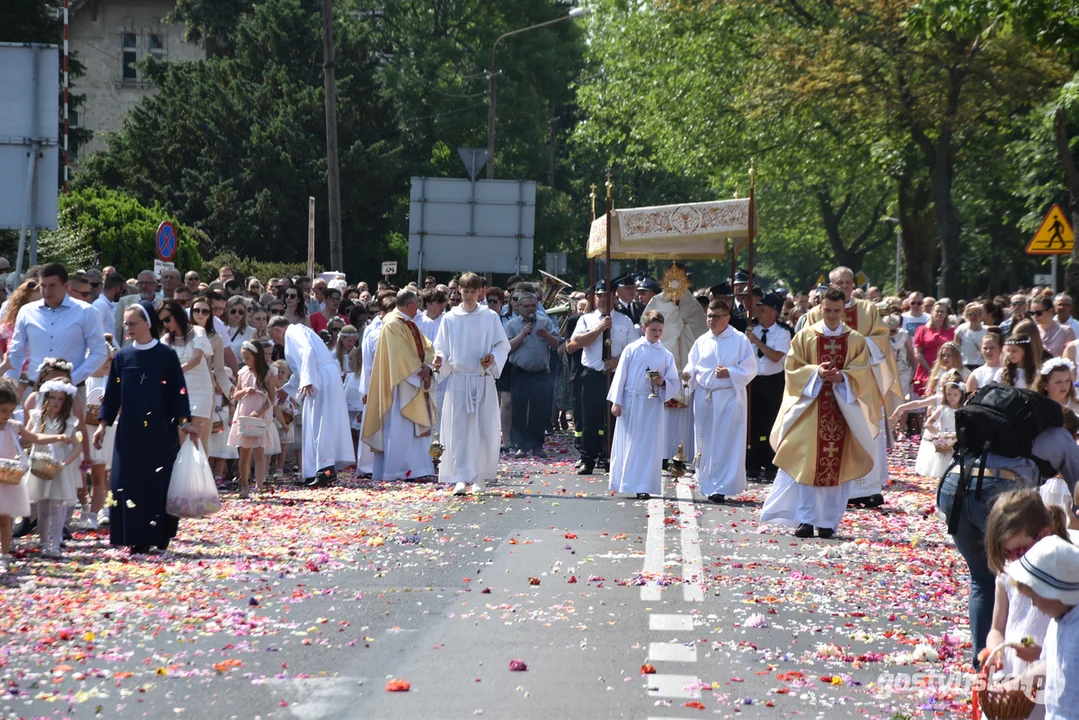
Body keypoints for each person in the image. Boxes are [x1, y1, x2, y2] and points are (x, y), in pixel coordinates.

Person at [759, 288, 879, 539]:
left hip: (841, 411)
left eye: (837, 311)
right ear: (820, 309)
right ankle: (805, 520)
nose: (832, 315)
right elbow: (792, 369)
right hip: (811, 411)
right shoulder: (805, 336)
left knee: (838, 469)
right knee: (806, 465)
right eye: (827, 310)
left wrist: (843, 376)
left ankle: (827, 522)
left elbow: (863, 373)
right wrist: (816, 372)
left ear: (844, 310)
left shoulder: (855, 340)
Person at [94, 301, 198, 555]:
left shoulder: (166, 355)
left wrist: (185, 422)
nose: (127, 328)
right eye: (125, 324)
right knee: (127, 483)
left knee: (157, 482)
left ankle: (159, 533)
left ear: (147, 324)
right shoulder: (122, 357)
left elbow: (178, 391)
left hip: (160, 431)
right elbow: (112, 396)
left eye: (132, 323)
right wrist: (103, 424)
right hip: (128, 432)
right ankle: (134, 536)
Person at [433, 273, 510, 495]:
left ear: (479, 292)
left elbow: (502, 345)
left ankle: (479, 477)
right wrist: (439, 358)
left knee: (482, 428)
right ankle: (459, 477)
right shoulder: (450, 318)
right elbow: (442, 348)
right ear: (459, 292)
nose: (467, 296)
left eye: (472, 291)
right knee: (459, 429)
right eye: (464, 292)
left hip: (481, 378)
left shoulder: (490, 317)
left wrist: (492, 358)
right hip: (459, 379)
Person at [981, 491, 1072, 679]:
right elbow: (996, 629)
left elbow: (1068, 647)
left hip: (1046, 676)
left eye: (1020, 551)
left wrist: (1039, 654)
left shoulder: (1063, 580)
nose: (1014, 559)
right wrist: (995, 649)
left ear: (1044, 535)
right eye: (1007, 553)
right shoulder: (1007, 573)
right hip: (1010, 674)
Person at [684, 299, 758, 502]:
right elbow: (692, 364)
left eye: (716, 316)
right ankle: (705, 480)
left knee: (725, 442)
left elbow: (751, 368)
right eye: (709, 316)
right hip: (705, 396)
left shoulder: (739, 340)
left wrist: (730, 372)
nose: (711, 320)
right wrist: (687, 374)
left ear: (727, 318)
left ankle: (722, 486)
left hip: (728, 396)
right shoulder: (702, 340)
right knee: (705, 441)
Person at [268, 316, 354, 486]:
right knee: (312, 423)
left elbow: (307, 352)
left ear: (278, 329)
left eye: (274, 336)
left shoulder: (294, 332)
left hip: (320, 377)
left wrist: (307, 379)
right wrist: (287, 389)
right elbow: (300, 369)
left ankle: (325, 468)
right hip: (319, 375)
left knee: (321, 422)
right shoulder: (296, 334)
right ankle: (313, 470)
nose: (276, 342)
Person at [362, 290, 437, 482]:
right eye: (417, 305)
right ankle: (398, 470)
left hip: (411, 380)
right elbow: (400, 356)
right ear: (411, 305)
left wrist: (428, 366)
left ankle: (417, 469)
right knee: (399, 426)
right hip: (398, 384)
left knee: (410, 427)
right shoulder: (392, 324)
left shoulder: (407, 323)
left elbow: (427, 346)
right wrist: (420, 371)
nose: (418, 309)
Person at [0, 380, 73, 571]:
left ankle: (5, 554)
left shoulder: (13, 426)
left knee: (6, 518)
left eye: (9, 411)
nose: (6, 415)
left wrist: (56, 437)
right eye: (3, 411)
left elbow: (35, 437)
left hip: (7, 479)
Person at [566, 281, 637, 474]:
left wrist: (618, 360)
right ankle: (587, 458)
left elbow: (633, 351)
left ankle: (611, 457)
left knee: (613, 418)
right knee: (590, 418)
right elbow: (575, 343)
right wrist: (599, 329)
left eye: (606, 295)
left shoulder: (625, 321)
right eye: (599, 295)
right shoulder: (586, 320)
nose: (603, 299)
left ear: (615, 296)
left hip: (615, 376)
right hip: (592, 375)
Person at [4, 263, 107, 396]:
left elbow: (99, 352)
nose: (47, 291)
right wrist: (9, 390)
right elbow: (16, 353)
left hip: (71, 391)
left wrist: (72, 378)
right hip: (35, 389)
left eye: (52, 286)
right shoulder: (27, 311)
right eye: (43, 286)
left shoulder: (86, 311)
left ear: (66, 286)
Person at [1005, 534, 1079, 718]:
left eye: (1035, 598)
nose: (1034, 605)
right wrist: (1017, 683)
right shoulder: (1055, 625)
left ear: (1055, 592)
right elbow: (1048, 664)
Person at [608, 310, 679, 499]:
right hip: (631, 401)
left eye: (660, 330)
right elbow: (620, 375)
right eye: (653, 329)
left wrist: (662, 382)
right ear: (645, 328)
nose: (657, 334)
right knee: (630, 442)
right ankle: (625, 480)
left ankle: (643, 485)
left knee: (648, 445)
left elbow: (674, 381)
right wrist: (617, 401)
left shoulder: (665, 355)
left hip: (651, 404)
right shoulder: (632, 349)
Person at [642, 283, 708, 469]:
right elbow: (650, 324)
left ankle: (681, 454)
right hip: (664, 358)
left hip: (685, 359)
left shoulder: (692, 304)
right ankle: (661, 455)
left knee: (683, 414)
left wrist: (682, 321)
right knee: (662, 412)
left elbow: (700, 329)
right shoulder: (657, 301)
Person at [23, 379, 82, 558]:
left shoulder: (69, 421)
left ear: (66, 402)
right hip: (40, 465)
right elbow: (27, 438)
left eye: (60, 399)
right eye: (53, 398)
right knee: (43, 507)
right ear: (46, 398)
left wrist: (64, 463)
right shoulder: (37, 417)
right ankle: (43, 543)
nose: (56, 402)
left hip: (59, 468)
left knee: (56, 506)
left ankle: (55, 544)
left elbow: (78, 446)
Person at [504, 292, 559, 456]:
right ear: (518, 307)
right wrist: (522, 334)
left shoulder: (545, 322)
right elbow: (507, 348)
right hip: (520, 372)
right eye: (526, 306)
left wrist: (546, 335)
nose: (530, 309)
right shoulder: (512, 325)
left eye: (533, 306)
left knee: (539, 410)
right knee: (519, 410)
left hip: (540, 372)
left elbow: (556, 344)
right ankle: (520, 445)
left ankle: (537, 445)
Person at [747, 293, 792, 482]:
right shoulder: (752, 329)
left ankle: (771, 463)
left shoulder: (783, 332)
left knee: (771, 424)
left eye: (763, 310)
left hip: (774, 381)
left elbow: (775, 356)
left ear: (774, 312)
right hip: (755, 381)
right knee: (755, 424)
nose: (759, 313)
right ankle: (754, 463)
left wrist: (756, 341)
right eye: (759, 309)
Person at [158, 300, 214, 452]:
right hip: (179, 394)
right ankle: (184, 475)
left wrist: (175, 373)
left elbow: (196, 359)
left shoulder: (198, 332)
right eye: (162, 321)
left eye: (167, 319)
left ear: (177, 315)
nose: (165, 324)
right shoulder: (165, 340)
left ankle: (202, 475)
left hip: (201, 392)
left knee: (198, 439)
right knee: (182, 438)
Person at [228, 341, 275, 497]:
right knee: (244, 453)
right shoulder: (243, 372)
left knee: (259, 453)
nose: (246, 361)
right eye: (244, 358)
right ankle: (244, 486)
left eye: (248, 358)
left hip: (259, 414)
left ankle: (259, 486)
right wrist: (245, 391)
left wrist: (260, 411)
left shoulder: (268, 374)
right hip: (245, 412)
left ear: (256, 357)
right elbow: (235, 394)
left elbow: (272, 399)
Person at [83, 336, 117, 529]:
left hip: (109, 430)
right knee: (93, 475)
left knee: (108, 474)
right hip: (88, 430)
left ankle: (104, 510)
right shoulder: (85, 381)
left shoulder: (113, 381)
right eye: (103, 359)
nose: (106, 363)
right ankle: (90, 510)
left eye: (110, 359)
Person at [910, 370, 964, 480]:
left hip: (958, 442)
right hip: (945, 441)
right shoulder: (943, 408)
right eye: (949, 394)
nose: (952, 397)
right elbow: (928, 424)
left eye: (955, 394)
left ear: (961, 394)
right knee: (942, 471)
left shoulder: (963, 410)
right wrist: (940, 436)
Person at [113, 270, 159, 345]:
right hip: (129, 349)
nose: (144, 286)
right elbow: (117, 330)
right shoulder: (124, 302)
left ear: (156, 285)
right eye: (141, 283)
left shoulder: (162, 303)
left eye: (148, 283)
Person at [967, 328, 1006, 393]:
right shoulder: (976, 374)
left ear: (1001, 349)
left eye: (992, 348)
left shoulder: (1007, 371)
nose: (988, 351)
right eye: (985, 348)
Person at [954, 302, 986, 370]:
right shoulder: (961, 329)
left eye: (975, 314)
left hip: (980, 365)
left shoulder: (985, 331)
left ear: (980, 315)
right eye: (970, 314)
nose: (973, 317)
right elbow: (955, 349)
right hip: (964, 365)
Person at [93, 272, 125, 338]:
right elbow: (95, 332)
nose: (122, 294)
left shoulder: (105, 305)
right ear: (117, 289)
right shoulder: (101, 305)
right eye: (123, 290)